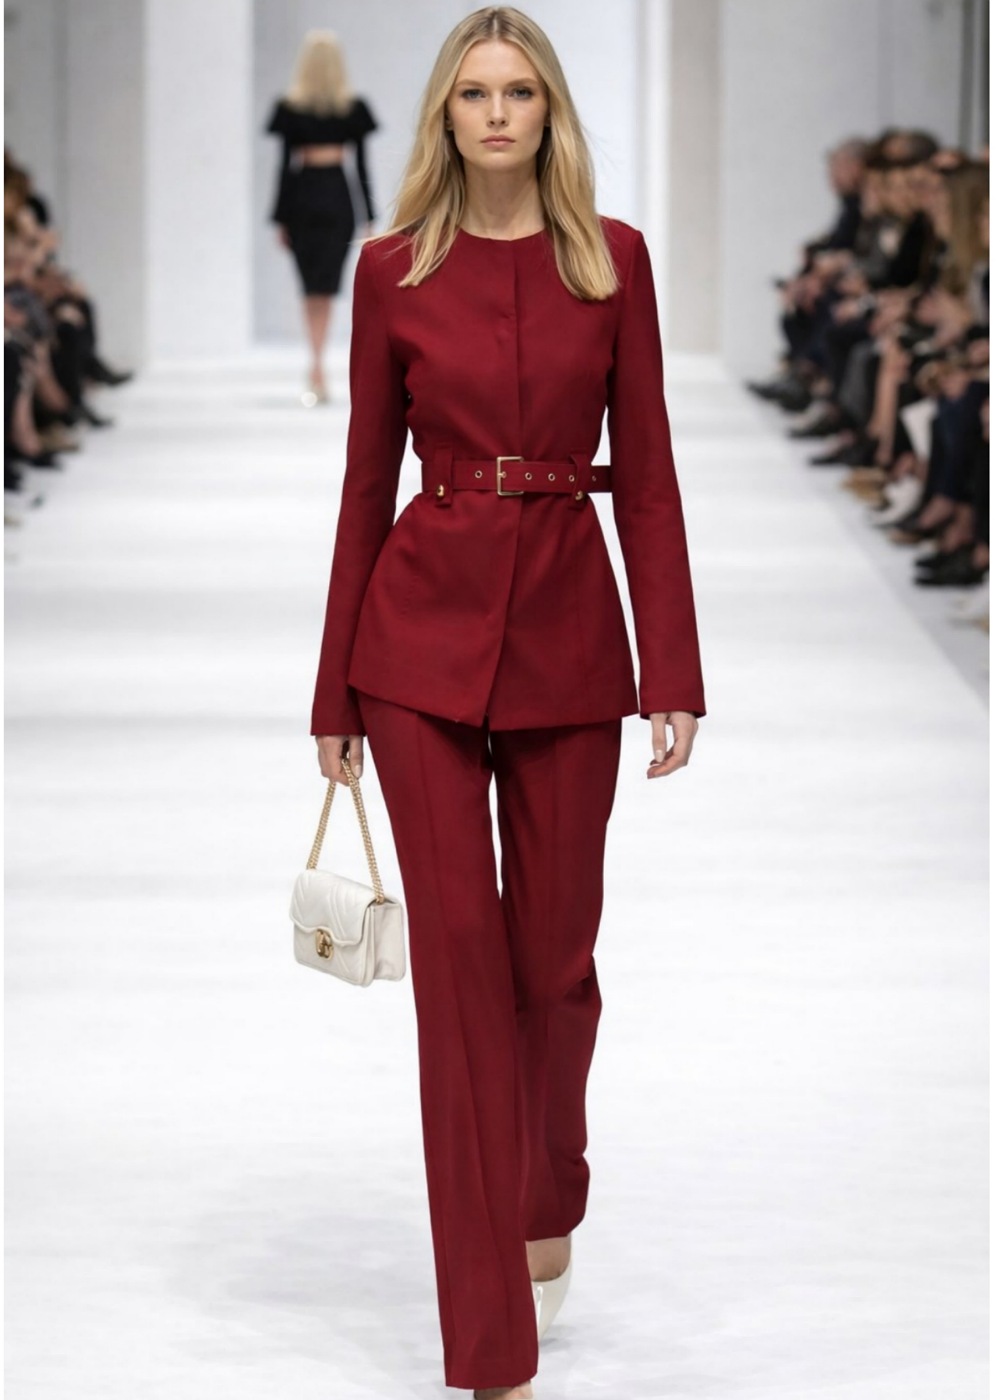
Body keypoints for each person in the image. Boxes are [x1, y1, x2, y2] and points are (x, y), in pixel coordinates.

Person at [309, 8, 706, 1398]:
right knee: (463, 979)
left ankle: (550, 1175)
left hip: (568, 639)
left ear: (549, 113)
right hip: (413, 646)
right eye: (473, 92)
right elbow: (364, 481)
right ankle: (488, 1340)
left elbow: (646, 471)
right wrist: (332, 689)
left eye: (518, 92)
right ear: (444, 113)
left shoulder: (613, 261)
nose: (495, 113)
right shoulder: (389, 269)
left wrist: (673, 667)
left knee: (553, 961)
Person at [266, 30, 378, 404]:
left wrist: (281, 218)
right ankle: (316, 365)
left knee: (318, 288)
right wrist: (369, 217)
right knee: (320, 288)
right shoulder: (348, 108)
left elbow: (286, 168)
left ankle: (316, 365)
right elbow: (361, 168)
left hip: (308, 198)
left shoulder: (297, 108)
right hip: (334, 198)